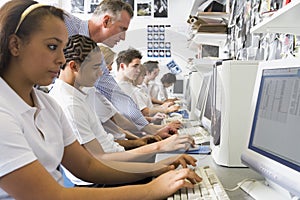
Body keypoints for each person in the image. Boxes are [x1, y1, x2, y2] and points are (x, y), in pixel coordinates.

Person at [0, 1, 202, 199]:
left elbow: (88, 165)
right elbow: (51, 195)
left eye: (62, 49)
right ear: (15, 45)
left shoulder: (48, 105)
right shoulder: (5, 114)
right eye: (52, 46)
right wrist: (152, 188)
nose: (61, 59)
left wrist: (159, 168)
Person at [49, 34, 196, 186]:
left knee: (174, 167)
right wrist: (159, 150)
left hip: (115, 160)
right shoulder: (70, 104)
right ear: (74, 66)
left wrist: (154, 152)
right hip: (103, 177)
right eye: (95, 68)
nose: (101, 73)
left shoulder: (82, 92)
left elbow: (105, 143)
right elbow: (100, 159)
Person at [64, 0, 171, 134]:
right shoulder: (64, 23)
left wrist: (149, 128)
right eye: (122, 29)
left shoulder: (94, 54)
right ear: (106, 21)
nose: (124, 37)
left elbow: (115, 94)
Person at [116, 48, 179, 121]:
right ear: (123, 66)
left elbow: (135, 118)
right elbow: (141, 113)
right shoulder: (123, 88)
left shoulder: (130, 87)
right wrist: (164, 110)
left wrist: (153, 119)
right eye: (135, 66)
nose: (138, 70)